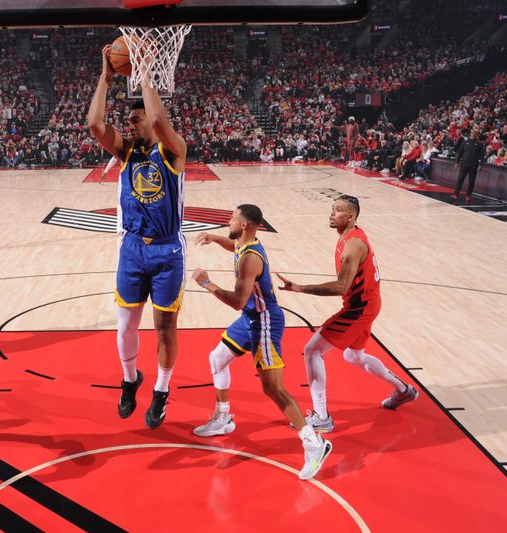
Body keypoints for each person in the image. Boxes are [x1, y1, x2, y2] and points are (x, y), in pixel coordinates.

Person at [191, 205, 332, 480]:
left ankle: (314, 444)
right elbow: (234, 247)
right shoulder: (246, 244)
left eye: (233, 218)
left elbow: (237, 302)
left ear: (244, 225)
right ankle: (222, 418)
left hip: (264, 322)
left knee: (273, 388)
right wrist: (215, 238)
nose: (228, 220)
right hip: (250, 319)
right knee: (217, 358)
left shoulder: (250, 260)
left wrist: (207, 283)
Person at [87, 44, 187, 429]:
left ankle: (161, 391)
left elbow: (161, 121)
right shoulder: (127, 152)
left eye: (134, 119)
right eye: (127, 120)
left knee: (165, 328)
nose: (129, 124)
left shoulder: (173, 151)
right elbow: (96, 125)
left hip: (166, 250)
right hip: (132, 248)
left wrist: (144, 72)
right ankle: (131, 380)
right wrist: (106, 78)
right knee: (126, 325)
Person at [277, 195, 417, 432]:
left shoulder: (353, 245)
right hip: (368, 303)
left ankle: (322, 417)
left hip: (358, 308)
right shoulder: (349, 236)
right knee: (353, 356)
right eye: (332, 208)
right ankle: (404, 391)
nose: (332, 213)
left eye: (338, 210)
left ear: (351, 217)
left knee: (312, 350)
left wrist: (301, 288)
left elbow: (342, 286)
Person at [452, 130, 485, 204]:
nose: (473, 134)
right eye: (472, 133)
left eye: (475, 133)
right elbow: (460, 152)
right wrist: (457, 162)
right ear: (470, 134)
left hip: (473, 165)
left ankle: (468, 195)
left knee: (471, 181)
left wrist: (481, 164)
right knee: (460, 179)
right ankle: (455, 194)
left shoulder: (479, 144)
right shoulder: (465, 142)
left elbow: (482, 155)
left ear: (477, 135)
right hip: (464, 164)